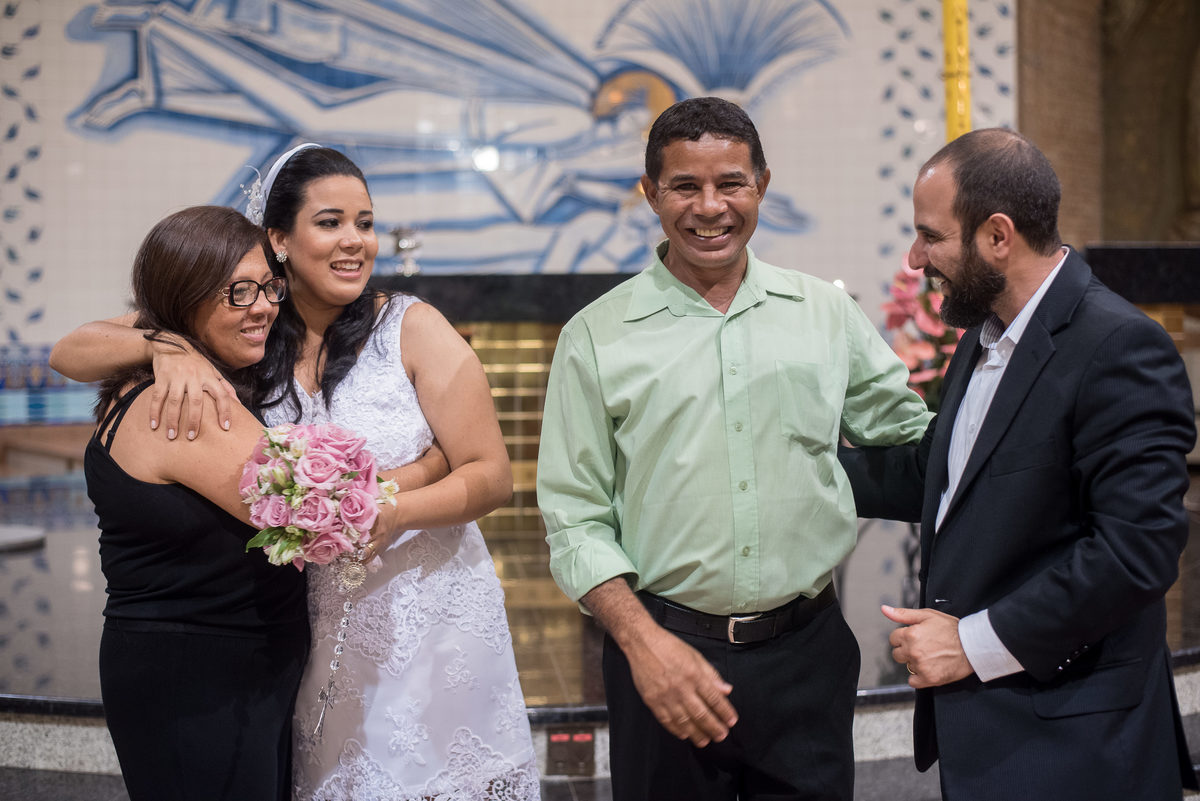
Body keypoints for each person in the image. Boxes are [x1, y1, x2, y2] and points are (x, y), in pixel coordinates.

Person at [52, 146, 540, 800]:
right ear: (279, 239)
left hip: (424, 611)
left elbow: (492, 476)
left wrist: (400, 500)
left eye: (365, 223)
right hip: (311, 624)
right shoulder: (243, 328)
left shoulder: (410, 326)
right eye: (331, 222)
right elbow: (70, 348)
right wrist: (162, 345)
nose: (354, 241)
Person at [536, 96, 932, 801]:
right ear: (650, 194)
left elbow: (910, 433)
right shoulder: (597, 336)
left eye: (731, 184)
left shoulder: (824, 314)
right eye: (685, 186)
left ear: (763, 186)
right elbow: (575, 519)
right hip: (665, 654)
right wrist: (642, 643)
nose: (710, 206)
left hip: (807, 654)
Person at [842, 127, 1200, 800]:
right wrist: (809, 472)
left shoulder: (1120, 345)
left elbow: (1137, 551)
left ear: (997, 236)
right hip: (989, 737)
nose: (916, 259)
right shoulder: (984, 334)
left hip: (1077, 746)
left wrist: (971, 643)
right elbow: (942, 474)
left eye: (931, 235)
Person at [82, 205, 309, 801]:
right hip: (202, 674)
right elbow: (311, 510)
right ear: (182, 300)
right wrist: (444, 464)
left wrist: (164, 343)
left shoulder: (170, 370)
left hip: (207, 663)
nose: (262, 305)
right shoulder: (187, 401)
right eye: (238, 292)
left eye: (268, 286)